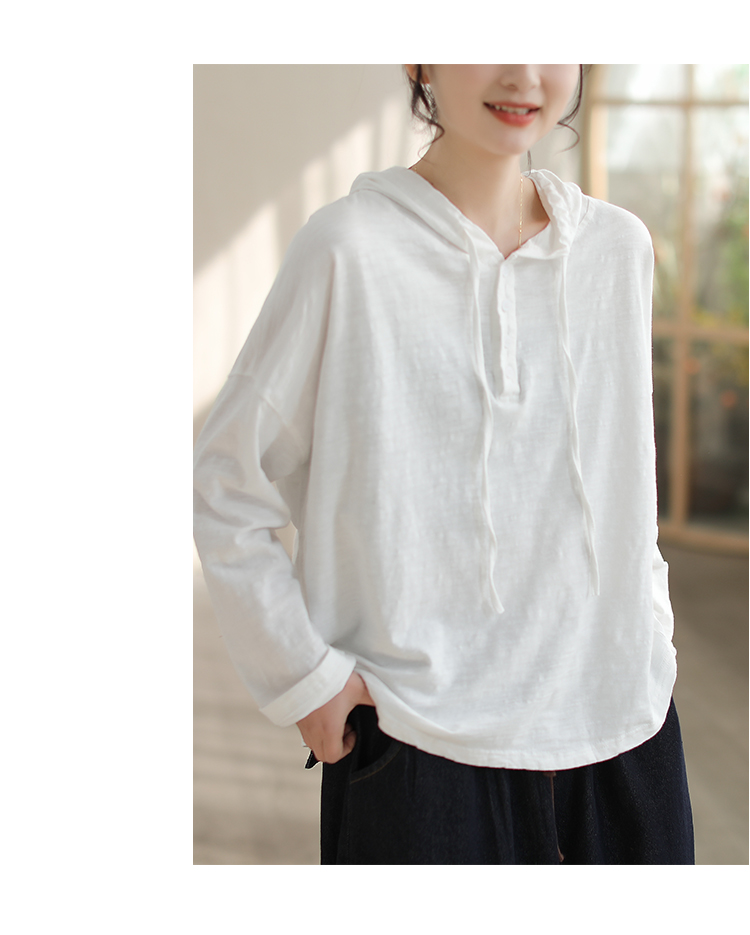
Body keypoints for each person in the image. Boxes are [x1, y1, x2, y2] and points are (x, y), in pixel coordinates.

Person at [193, 64, 695, 864]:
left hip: (627, 734)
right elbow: (225, 480)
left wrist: (649, 630)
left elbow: (623, 485)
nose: (522, 73)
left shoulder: (618, 248)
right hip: (419, 752)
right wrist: (304, 675)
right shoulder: (348, 249)